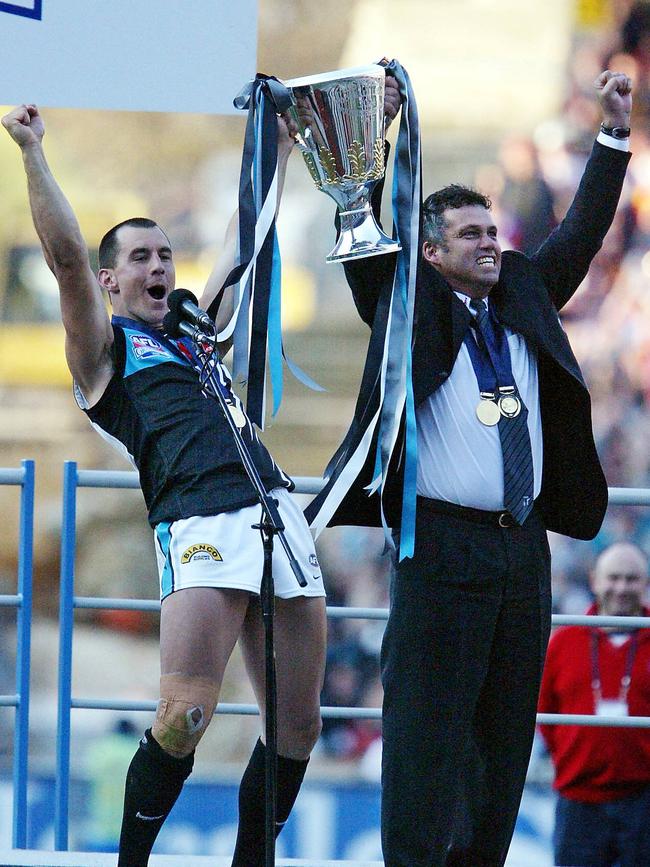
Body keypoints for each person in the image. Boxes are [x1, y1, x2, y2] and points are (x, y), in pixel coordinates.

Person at [306, 70, 633, 866]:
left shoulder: (524, 288)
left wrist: (612, 138)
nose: (492, 243)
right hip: (440, 547)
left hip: (523, 550)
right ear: (430, 251)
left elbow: (581, 234)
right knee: (424, 739)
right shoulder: (407, 299)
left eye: (494, 231)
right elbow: (368, 239)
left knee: (502, 742)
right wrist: (375, 142)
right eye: (471, 235)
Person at [2, 103, 327, 867]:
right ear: (113, 280)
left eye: (165, 255)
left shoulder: (196, 330)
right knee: (184, 715)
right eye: (140, 257)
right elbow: (67, 261)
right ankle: (131, 863)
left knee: (298, 727)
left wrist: (276, 147)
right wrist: (32, 149)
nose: (158, 268)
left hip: (276, 511)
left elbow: (244, 243)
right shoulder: (106, 352)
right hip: (199, 522)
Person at [538, 541, 650, 867]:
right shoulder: (564, 641)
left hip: (642, 801)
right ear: (594, 580)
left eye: (632, 579)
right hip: (578, 800)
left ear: (645, 583)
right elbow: (546, 713)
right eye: (613, 577)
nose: (621, 587)